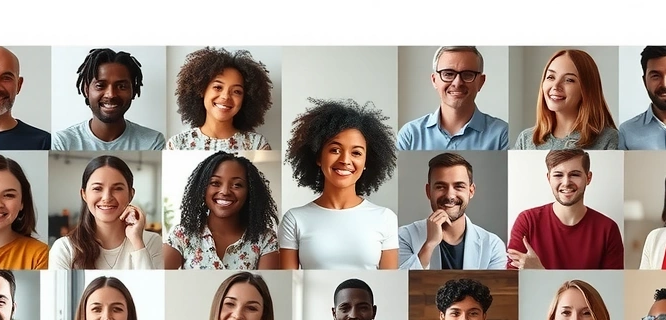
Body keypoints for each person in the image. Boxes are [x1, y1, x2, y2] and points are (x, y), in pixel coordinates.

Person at [280, 99, 398, 270]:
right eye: (335, 150)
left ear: (366, 162)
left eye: (356, 153)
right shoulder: (294, 219)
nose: (345, 160)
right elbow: (290, 282)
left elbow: (389, 283)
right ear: (319, 157)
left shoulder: (385, 218)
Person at [506, 149, 624, 270]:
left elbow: (612, 284)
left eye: (575, 174)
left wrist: (539, 272)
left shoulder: (608, 229)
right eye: (558, 175)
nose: (566, 182)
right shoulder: (527, 221)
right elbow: (509, 279)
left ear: (588, 178)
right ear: (548, 178)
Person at [163, 151, 279, 270]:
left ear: (250, 193)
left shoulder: (265, 239)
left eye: (237, 185)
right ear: (202, 189)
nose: (225, 191)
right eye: (215, 183)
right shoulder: (183, 235)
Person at [49, 156, 161, 270]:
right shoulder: (64, 249)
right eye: (97, 188)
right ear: (84, 194)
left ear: (131, 194)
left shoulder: (152, 242)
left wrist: (137, 242)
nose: (107, 198)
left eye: (117, 188)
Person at [398, 153, 506, 270]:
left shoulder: (493, 245)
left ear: (471, 191)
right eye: (440, 187)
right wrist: (429, 244)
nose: (450, 195)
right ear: (428, 192)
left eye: (459, 186)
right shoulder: (404, 237)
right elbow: (402, 284)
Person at [396, 46, 509, 150]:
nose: (457, 83)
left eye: (467, 74)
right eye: (448, 74)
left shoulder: (502, 135)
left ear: (481, 82)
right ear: (434, 80)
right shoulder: (410, 135)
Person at [51, 48, 164, 150]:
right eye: (100, 85)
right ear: (86, 90)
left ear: (133, 91)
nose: (110, 95)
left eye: (121, 86)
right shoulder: (63, 142)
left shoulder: (152, 142)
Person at [166, 47, 273, 151]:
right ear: (201, 90)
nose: (225, 96)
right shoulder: (177, 145)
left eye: (236, 91)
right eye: (218, 87)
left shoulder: (257, 145)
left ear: (245, 98)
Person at [513, 49, 618, 150]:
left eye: (569, 80)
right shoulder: (525, 139)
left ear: (587, 89)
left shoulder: (609, 139)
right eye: (551, 77)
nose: (555, 86)